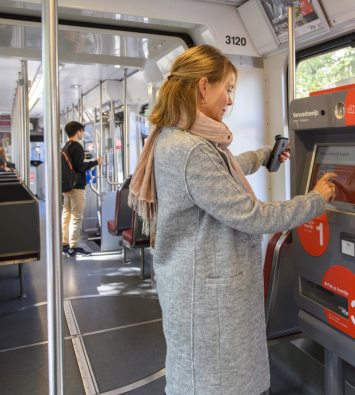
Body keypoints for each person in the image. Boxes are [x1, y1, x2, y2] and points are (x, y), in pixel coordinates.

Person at [128, 45, 336, 395]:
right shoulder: (192, 149)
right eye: (227, 89)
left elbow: (221, 172)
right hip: (209, 299)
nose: (228, 100)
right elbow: (252, 216)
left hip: (196, 288)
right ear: (203, 87)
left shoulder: (179, 137)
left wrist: (264, 155)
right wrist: (315, 200)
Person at [61, 121, 104, 256]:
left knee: (66, 216)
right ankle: (74, 246)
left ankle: (64, 243)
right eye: (82, 131)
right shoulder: (77, 147)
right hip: (77, 187)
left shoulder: (66, 146)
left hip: (67, 187)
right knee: (77, 217)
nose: (82, 134)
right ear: (78, 131)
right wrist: (96, 162)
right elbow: (80, 166)